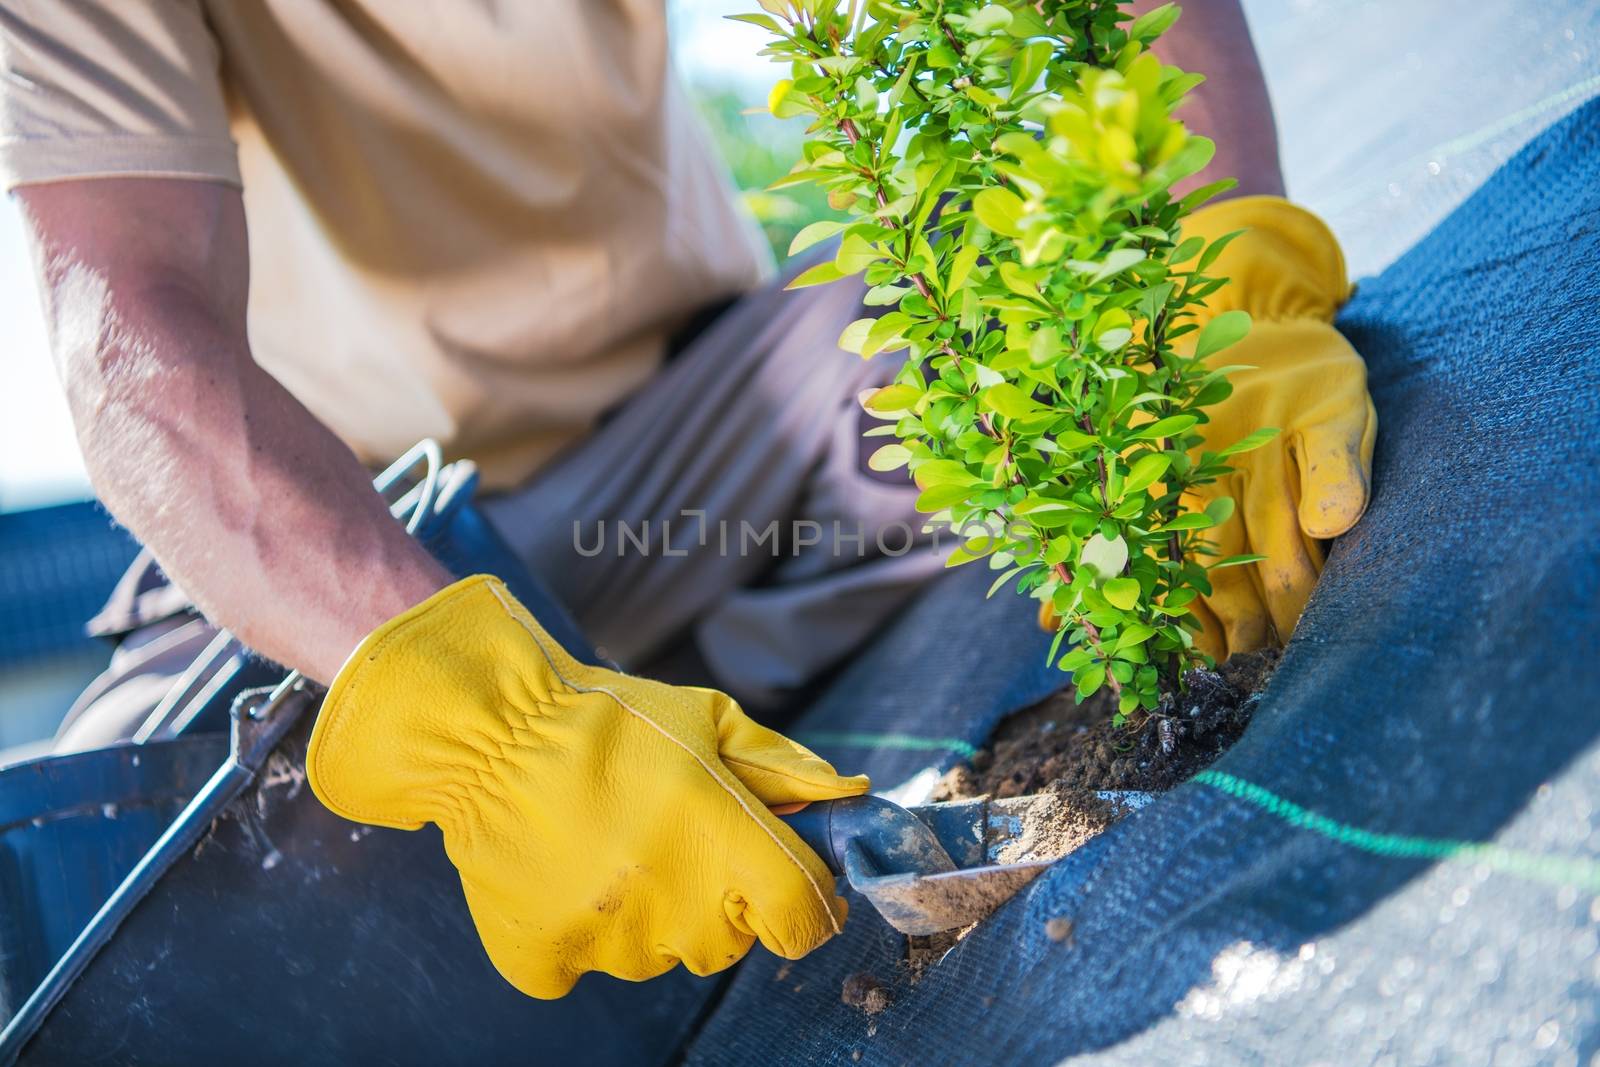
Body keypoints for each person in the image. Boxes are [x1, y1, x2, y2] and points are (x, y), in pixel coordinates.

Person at [0, 0, 1373, 998]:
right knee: (152, 896)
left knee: (1009, 370)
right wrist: (499, 728)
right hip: (359, 544)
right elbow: (132, 327)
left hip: (706, 427)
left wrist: (1213, 293)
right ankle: (631, 710)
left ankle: (676, 697)